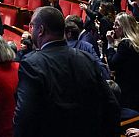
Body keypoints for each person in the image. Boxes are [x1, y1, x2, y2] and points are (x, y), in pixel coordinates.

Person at [13, 7, 120, 137]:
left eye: (32, 26)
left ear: (40, 30)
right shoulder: (87, 58)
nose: (30, 31)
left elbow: (24, 120)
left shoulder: (31, 64)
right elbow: (111, 106)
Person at [106, 13, 139, 111]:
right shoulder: (135, 42)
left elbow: (112, 65)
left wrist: (110, 44)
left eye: (117, 25)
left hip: (127, 89)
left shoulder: (125, 44)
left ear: (125, 27)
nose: (114, 27)